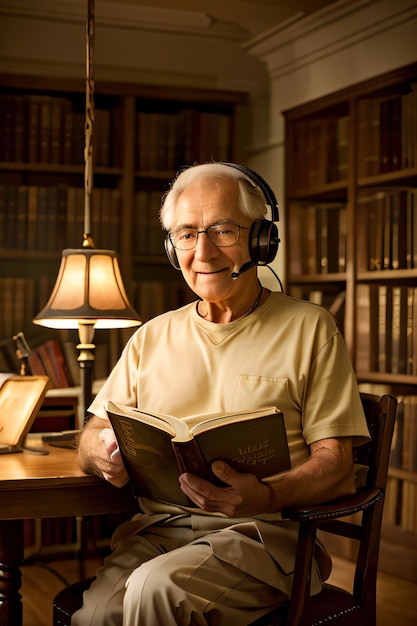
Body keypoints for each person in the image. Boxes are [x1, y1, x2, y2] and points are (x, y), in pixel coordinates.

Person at [73, 162, 369, 626]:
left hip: (263, 537)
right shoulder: (151, 336)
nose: (203, 251)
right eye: (187, 234)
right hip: (157, 533)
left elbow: (337, 464)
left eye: (223, 230)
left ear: (260, 239)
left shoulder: (311, 328)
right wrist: (100, 452)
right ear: (174, 248)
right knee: (95, 618)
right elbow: (94, 430)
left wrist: (265, 496)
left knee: (156, 592)